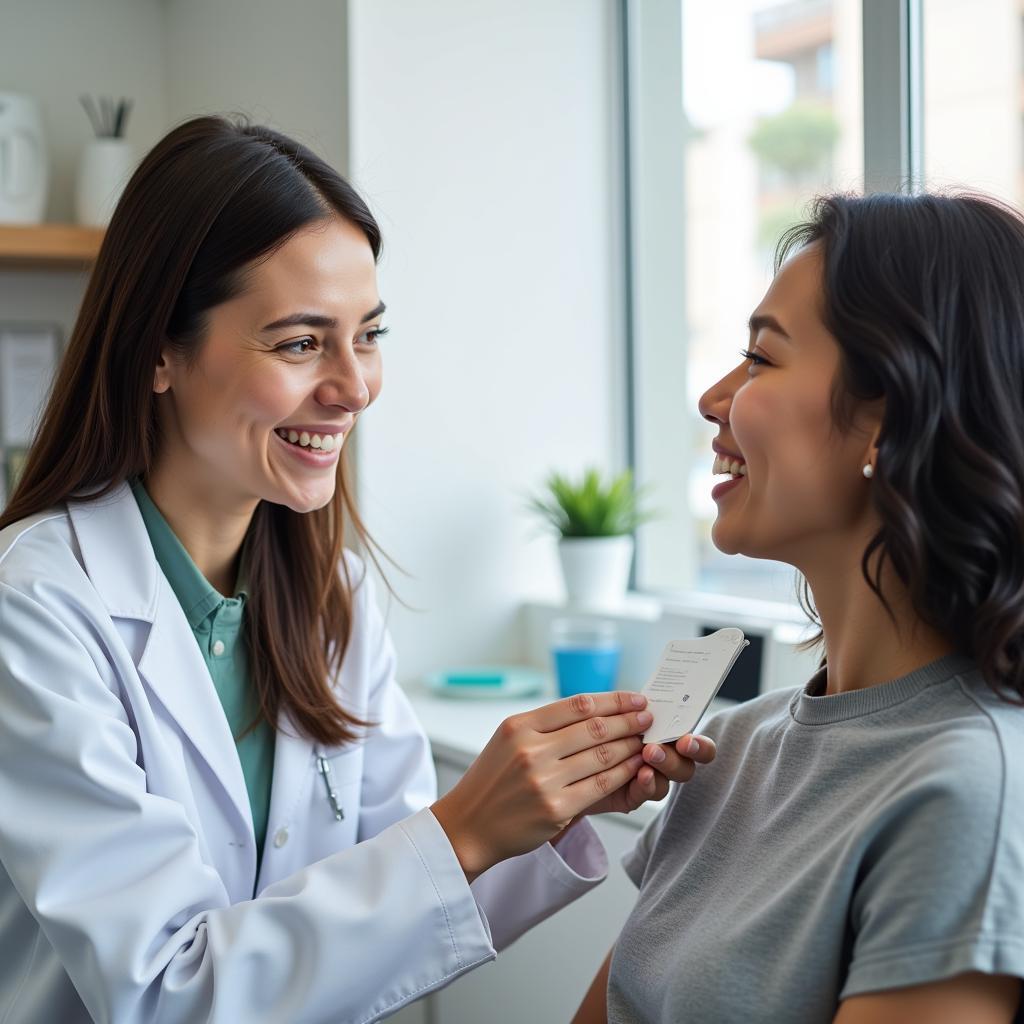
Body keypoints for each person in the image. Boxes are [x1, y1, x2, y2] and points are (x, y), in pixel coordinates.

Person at [0, 115, 714, 1024]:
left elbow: (397, 895)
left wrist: (555, 802)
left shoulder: (326, 588)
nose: (354, 384)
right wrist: (464, 829)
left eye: (367, 334)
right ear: (158, 352)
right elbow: (161, 995)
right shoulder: (36, 608)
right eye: (300, 343)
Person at [572, 192, 1024, 1024]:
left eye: (760, 360)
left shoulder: (971, 790)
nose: (713, 400)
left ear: (891, 413)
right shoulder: (733, 749)